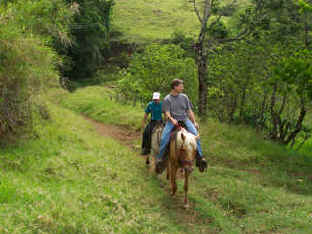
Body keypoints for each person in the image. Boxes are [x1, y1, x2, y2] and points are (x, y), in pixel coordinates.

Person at [156, 79, 207, 173]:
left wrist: (194, 122)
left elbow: (189, 111)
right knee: (164, 138)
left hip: (185, 119)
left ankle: (200, 157)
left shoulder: (184, 97)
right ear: (175, 87)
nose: (182, 88)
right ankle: (160, 159)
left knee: (196, 136)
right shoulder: (167, 99)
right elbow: (167, 113)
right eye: (181, 86)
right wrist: (172, 119)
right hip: (173, 121)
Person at [141, 92, 163, 158]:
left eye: (157, 99)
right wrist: (143, 122)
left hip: (160, 121)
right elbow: (146, 114)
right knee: (145, 133)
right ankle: (145, 148)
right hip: (153, 121)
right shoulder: (150, 105)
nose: (156, 100)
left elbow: (165, 113)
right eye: (154, 99)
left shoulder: (162, 104)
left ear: (159, 99)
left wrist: (166, 121)